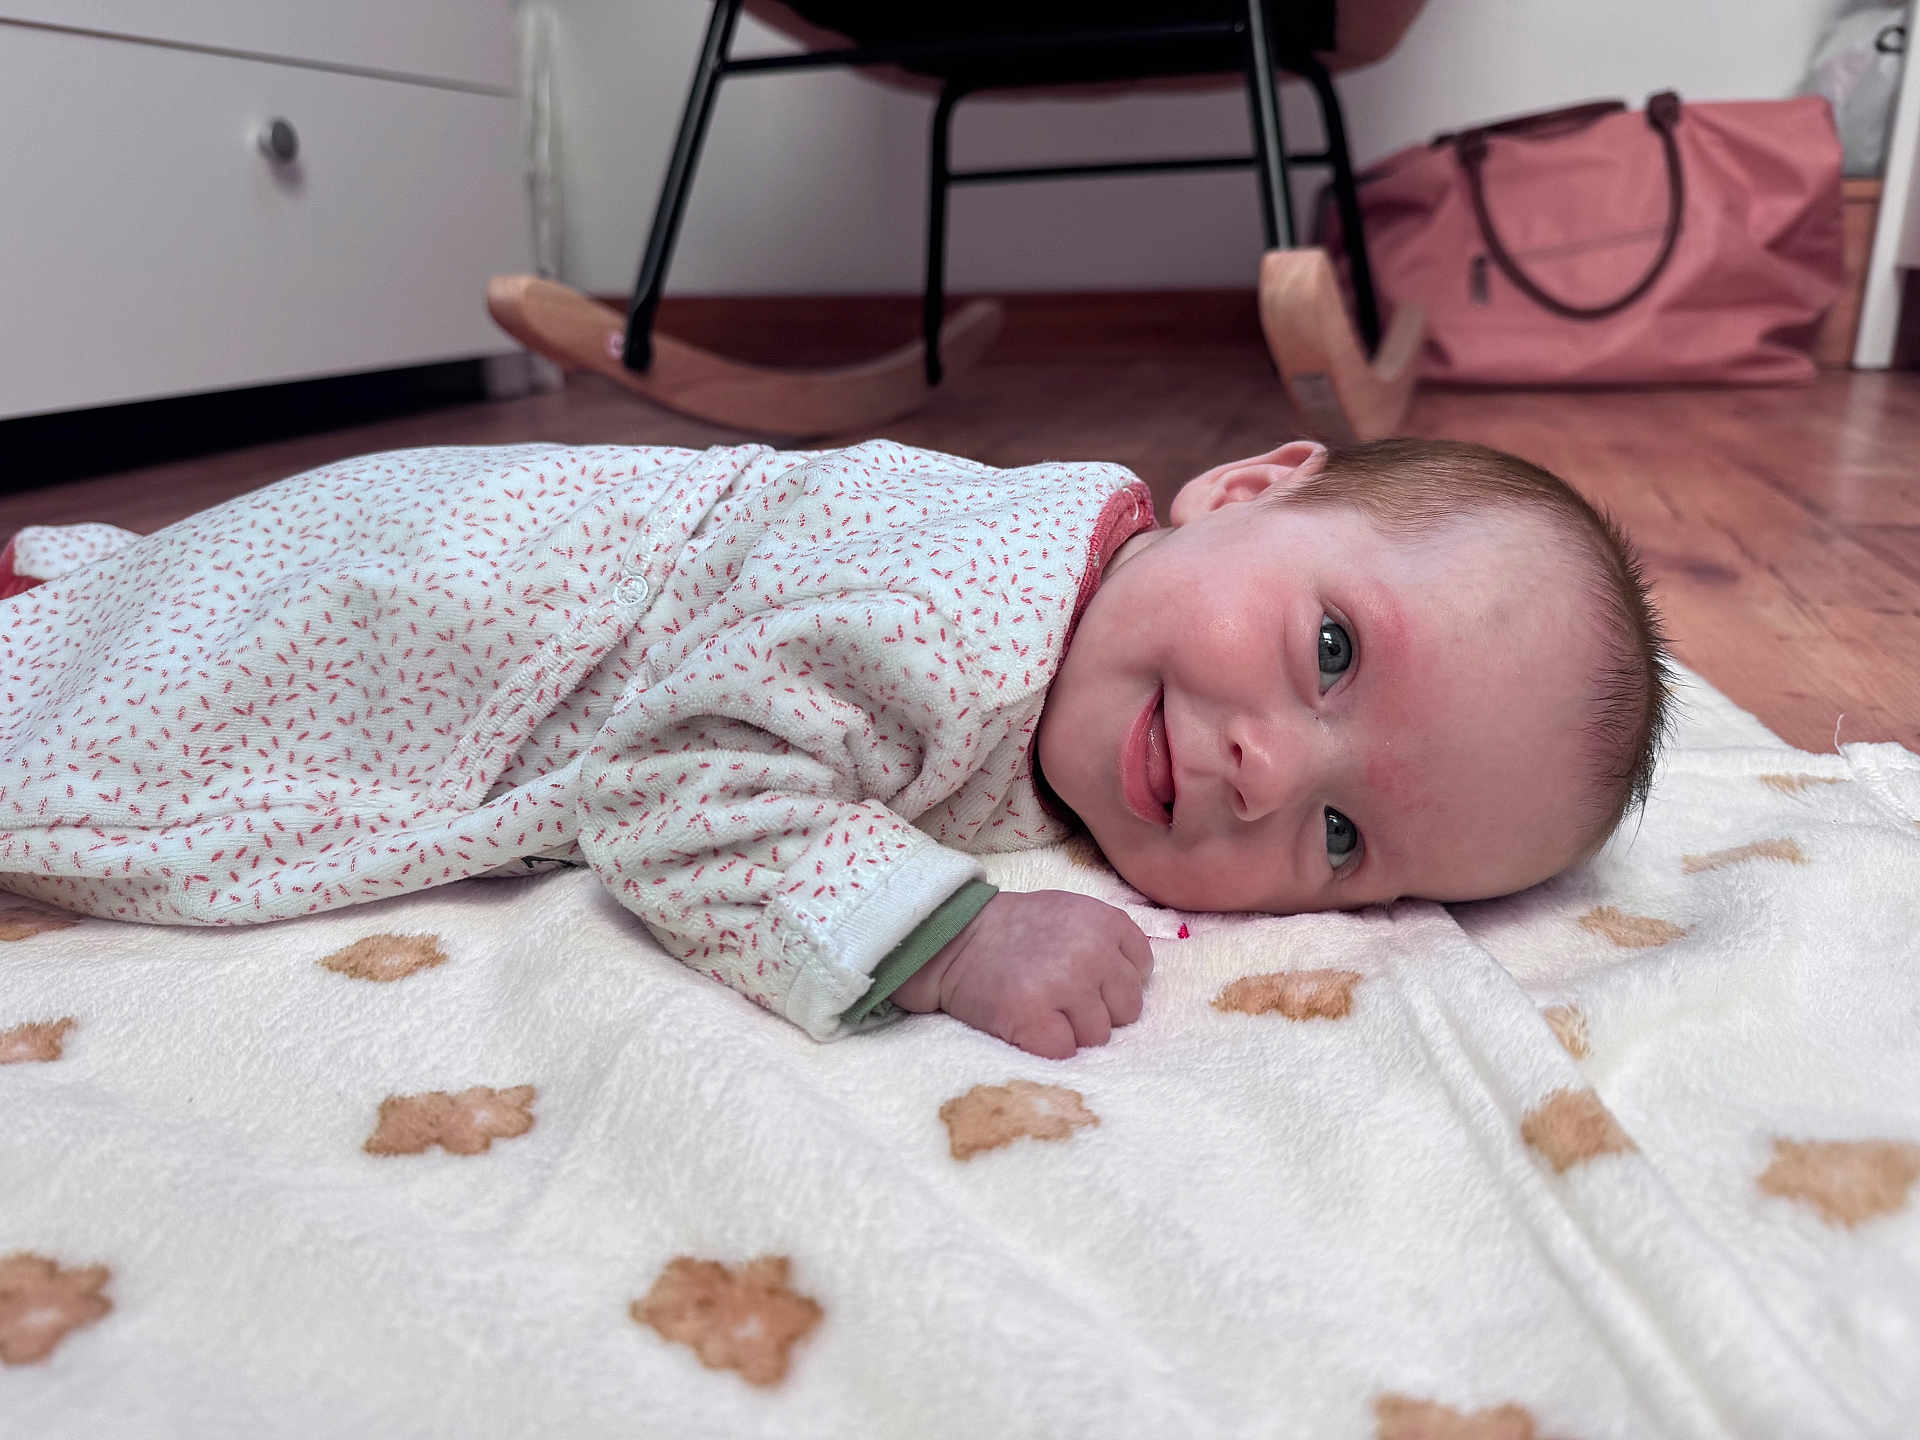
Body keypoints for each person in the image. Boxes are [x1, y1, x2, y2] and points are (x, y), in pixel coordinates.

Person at [0, 436, 1671, 1058]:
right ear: (1242, 489)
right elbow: (671, 789)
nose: (1263, 772)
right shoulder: (960, 601)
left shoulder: (1085, 627)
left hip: (384, 550)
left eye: (1339, 843)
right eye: (1329, 654)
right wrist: (949, 931)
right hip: (409, 606)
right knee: (108, 721)